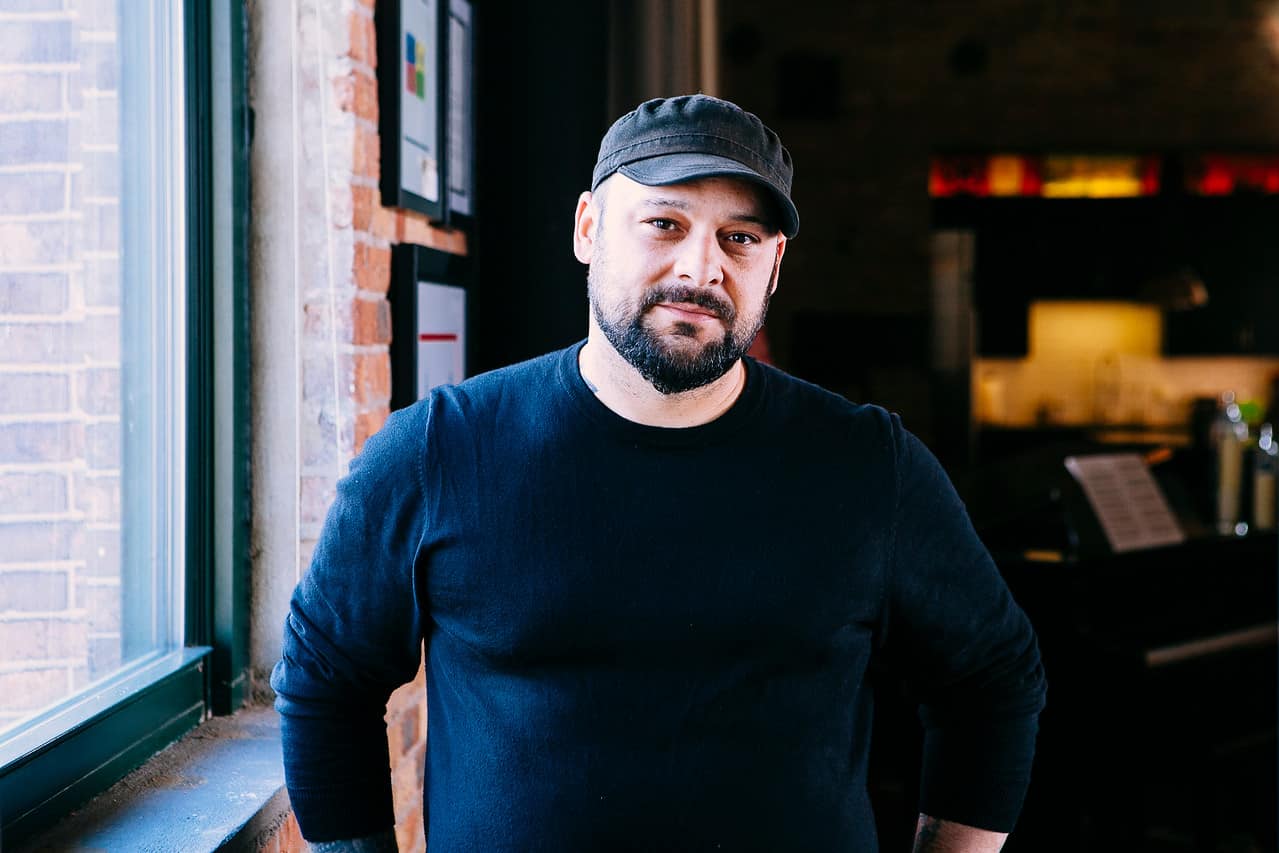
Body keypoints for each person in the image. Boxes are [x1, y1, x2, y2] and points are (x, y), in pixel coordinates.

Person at [272, 94, 1046, 853]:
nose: (699, 267)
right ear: (587, 228)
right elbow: (324, 678)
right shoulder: (438, 449)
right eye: (664, 223)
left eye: (739, 238)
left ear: (773, 266)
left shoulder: (867, 464)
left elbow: (993, 676)